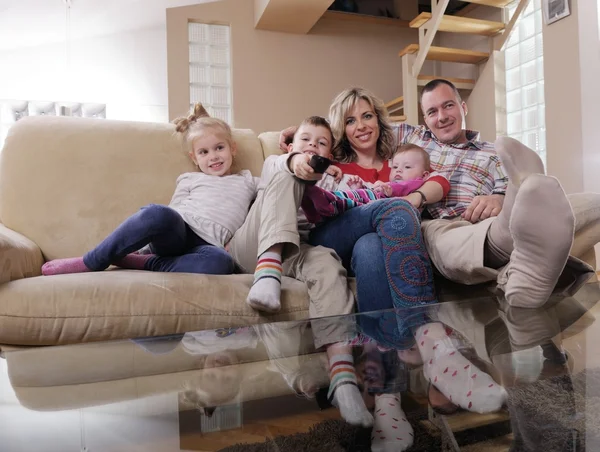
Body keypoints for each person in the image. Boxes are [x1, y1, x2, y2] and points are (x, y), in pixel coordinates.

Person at [281, 96, 507, 428]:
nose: (361, 126)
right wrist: (295, 144)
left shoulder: (398, 163)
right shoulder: (332, 165)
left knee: (373, 246)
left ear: (379, 120)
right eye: (350, 120)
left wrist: (414, 194)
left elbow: (437, 178)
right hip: (333, 238)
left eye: (368, 116)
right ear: (340, 129)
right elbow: (306, 180)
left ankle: (387, 399)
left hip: (370, 245)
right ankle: (433, 346)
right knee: (396, 209)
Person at [41, 103, 308, 315]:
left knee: (222, 263)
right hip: (178, 232)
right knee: (157, 213)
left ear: (232, 149)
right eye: (204, 152)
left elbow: (276, 194)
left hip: (207, 245)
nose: (213, 156)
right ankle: (93, 260)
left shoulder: (248, 180)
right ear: (194, 158)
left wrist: (294, 148)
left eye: (219, 148)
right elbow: (172, 212)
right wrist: (152, 239)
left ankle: (145, 263)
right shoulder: (190, 179)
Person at [396, 78, 592, 309]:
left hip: (486, 218)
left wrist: (498, 197)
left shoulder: (493, 151)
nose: (441, 117)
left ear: (463, 107)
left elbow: (501, 188)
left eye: (448, 105)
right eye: (432, 112)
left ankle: (523, 197)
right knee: (448, 240)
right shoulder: (413, 139)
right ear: (425, 118)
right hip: (442, 223)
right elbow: (361, 130)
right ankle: (519, 248)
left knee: (591, 201)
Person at [301, 143, 445, 224]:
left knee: (351, 201)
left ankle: (324, 200)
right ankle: (323, 205)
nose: (399, 171)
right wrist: (361, 187)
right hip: (373, 208)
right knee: (353, 200)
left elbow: (401, 188)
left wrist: (388, 189)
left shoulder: (417, 182)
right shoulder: (395, 182)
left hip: (393, 216)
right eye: (394, 167)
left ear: (425, 174)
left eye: (407, 167)